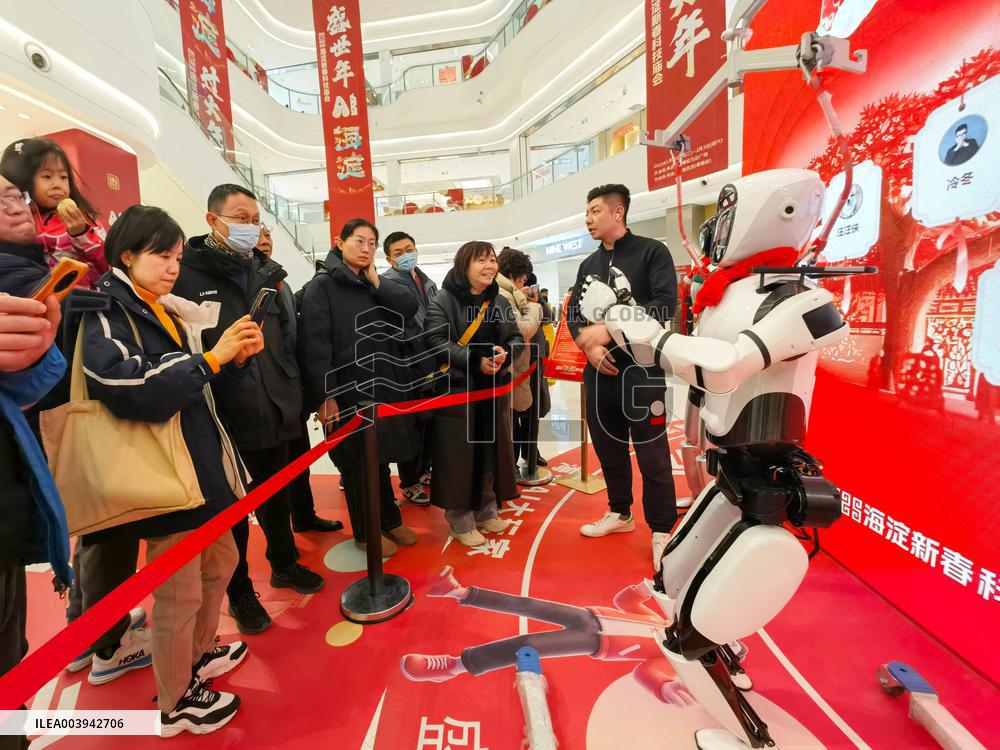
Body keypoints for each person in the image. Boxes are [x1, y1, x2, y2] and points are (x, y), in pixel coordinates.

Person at [80, 205, 264, 736]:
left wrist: (232, 357)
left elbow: (193, 383)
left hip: (200, 465)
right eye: (163, 255)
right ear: (128, 254)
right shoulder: (105, 309)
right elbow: (120, 385)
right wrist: (209, 360)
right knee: (178, 590)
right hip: (163, 477)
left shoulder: (161, 307)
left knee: (221, 561)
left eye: (178, 256)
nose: (173, 267)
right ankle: (174, 699)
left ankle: (198, 657)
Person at [173, 185, 324, 637]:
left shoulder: (268, 273)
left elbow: (288, 342)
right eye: (241, 217)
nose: (252, 227)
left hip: (277, 406)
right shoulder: (185, 277)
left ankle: (284, 562)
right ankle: (240, 591)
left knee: (276, 494)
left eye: (257, 218)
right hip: (222, 413)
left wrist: (296, 396)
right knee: (233, 510)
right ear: (212, 220)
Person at [565, 184, 678, 567]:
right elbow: (573, 315)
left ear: (618, 213)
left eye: (595, 211)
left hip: (642, 374)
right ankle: (620, 512)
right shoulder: (587, 266)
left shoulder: (652, 252)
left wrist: (612, 329)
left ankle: (662, 529)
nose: (588, 219)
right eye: (587, 212)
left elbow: (663, 307)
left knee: (653, 455)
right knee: (609, 450)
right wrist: (589, 347)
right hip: (599, 374)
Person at [0, 174, 73, 750]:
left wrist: (40, 344)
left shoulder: (38, 265)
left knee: (9, 655)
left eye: (15, 194)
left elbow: (26, 389)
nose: (18, 204)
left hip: (12, 499)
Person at [298, 219, 420, 556]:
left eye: (371, 243)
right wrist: (326, 397)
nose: (366, 249)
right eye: (359, 241)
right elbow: (315, 347)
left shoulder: (370, 282)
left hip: (381, 385)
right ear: (340, 242)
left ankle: (389, 519)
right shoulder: (321, 286)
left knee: (378, 457)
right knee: (355, 464)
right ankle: (366, 531)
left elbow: (409, 309)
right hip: (346, 391)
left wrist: (377, 280)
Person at [424, 241, 522, 547]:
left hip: (492, 393)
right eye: (481, 261)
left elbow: (516, 337)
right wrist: (475, 360)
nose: (489, 266)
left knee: (490, 453)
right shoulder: (443, 299)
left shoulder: (499, 301)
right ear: (464, 265)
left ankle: (486, 509)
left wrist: (506, 353)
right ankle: (460, 519)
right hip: (459, 392)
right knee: (458, 459)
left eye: (492, 260)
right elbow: (434, 340)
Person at [255, 225, 342, 535]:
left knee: (299, 463)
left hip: (292, 393)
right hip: (265, 399)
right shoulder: (249, 284)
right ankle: (282, 554)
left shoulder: (280, 280)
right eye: (256, 234)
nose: (264, 241)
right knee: (272, 480)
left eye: (267, 235)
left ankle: (304, 517)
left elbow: (294, 334)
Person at [0, 139, 108, 289]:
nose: (58, 185)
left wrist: (81, 233)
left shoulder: (83, 218)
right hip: (42, 300)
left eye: (64, 177)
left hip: (85, 302)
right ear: (22, 181)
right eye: (47, 177)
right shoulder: (22, 220)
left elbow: (106, 267)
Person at [382, 231, 439, 505]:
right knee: (411, 425)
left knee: (429, 422)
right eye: (399, 253)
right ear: (389, 259)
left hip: (432, 360)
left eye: (409, 249)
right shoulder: (387, 284)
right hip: (408, 363)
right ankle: (409, 481)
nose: (406, 255)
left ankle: (424, 470)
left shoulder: (427, 281)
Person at [495, 248, 543, 470]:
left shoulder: (510, 294)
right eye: (524, 276)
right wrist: (533, 306)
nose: (526, 280)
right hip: (512, 369)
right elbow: (522, 329)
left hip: (518, 367)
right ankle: (508, 471)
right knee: (510, 423)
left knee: (513, 420)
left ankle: (511, 466)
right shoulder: (504, 295)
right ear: (515, 273)